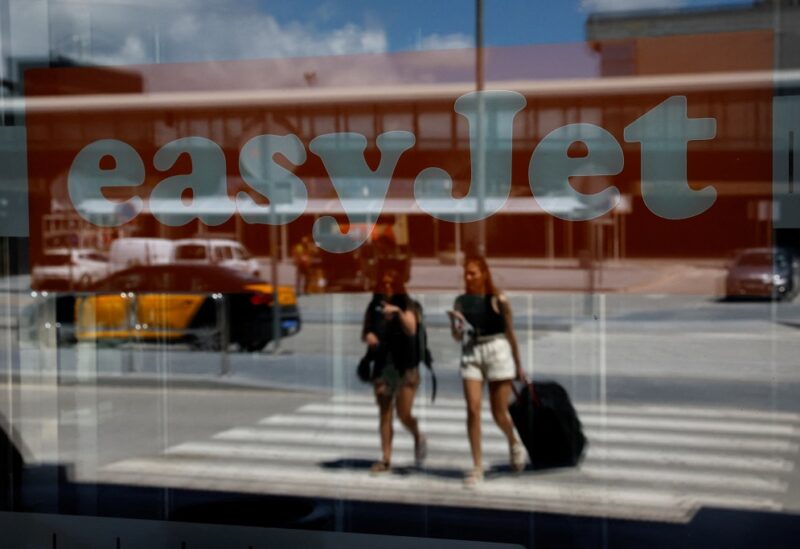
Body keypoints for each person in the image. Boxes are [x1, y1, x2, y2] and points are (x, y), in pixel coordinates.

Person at [448, 255, 525, 485]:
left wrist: (519, 365)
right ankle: (477, 466)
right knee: (473, 410)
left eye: (473, 273)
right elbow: (456, 336)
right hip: (472, 351)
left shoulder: (498, 299)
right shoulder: (460, 301)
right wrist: (457, 324)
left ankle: (514, 441)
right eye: (466, 274)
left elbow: (511, 333)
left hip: (497, 350)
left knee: (498, 412)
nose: (468, 278)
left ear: (484, 274)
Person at [362, 265, 427, 473]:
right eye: (384, 284)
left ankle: (417, 434)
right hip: (383, 366)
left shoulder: (410, 305)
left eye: (391, 284)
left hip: (406, 366)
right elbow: (366, 331)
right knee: (385, 413)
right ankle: (386, 458)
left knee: (404, 413)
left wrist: (398, 312)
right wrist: (368, 337)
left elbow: (412, 329)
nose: (387, 288)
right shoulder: (374, 307)